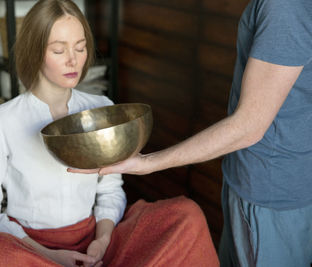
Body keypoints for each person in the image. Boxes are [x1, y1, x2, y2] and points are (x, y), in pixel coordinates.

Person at [0, 1, 219, 267]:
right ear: (35, 51)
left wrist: (102, 241)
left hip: (94, 236)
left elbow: (110, 192)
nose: (73, 60)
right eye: (59, 50)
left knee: (185, 215)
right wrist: (49, 255)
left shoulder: (102, 110)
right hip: (29, 247)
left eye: (81, 47)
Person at [70, 0, 312, 266]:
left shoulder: (284, 7)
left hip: (270, 190)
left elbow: (249, 126)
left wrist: (147, 163)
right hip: (268, 180)